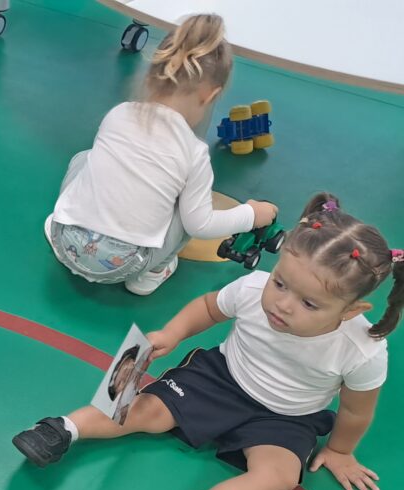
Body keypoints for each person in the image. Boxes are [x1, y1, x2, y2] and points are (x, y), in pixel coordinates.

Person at [13, 193, 399, 490]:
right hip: (220, 379)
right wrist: (172, 333)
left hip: (288, 417)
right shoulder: (253, 290)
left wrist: (339, 450)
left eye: (309, 304)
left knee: (278, 476)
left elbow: (355, 410)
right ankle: (61, 429)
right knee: (148, 411)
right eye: (280, 283)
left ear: (351, 311)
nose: (282, 305)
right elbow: (209, 307)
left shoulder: (362, 350)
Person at [44, 14, 278, 295]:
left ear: (153, 73)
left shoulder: (118, 114)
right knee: (188, 211)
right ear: (211, 95)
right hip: (123, 264)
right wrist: (251, 215)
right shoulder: (194, 152)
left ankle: (60, 221)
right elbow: (201, 224)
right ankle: (150, 275)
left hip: (64, 241)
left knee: (84, 159)